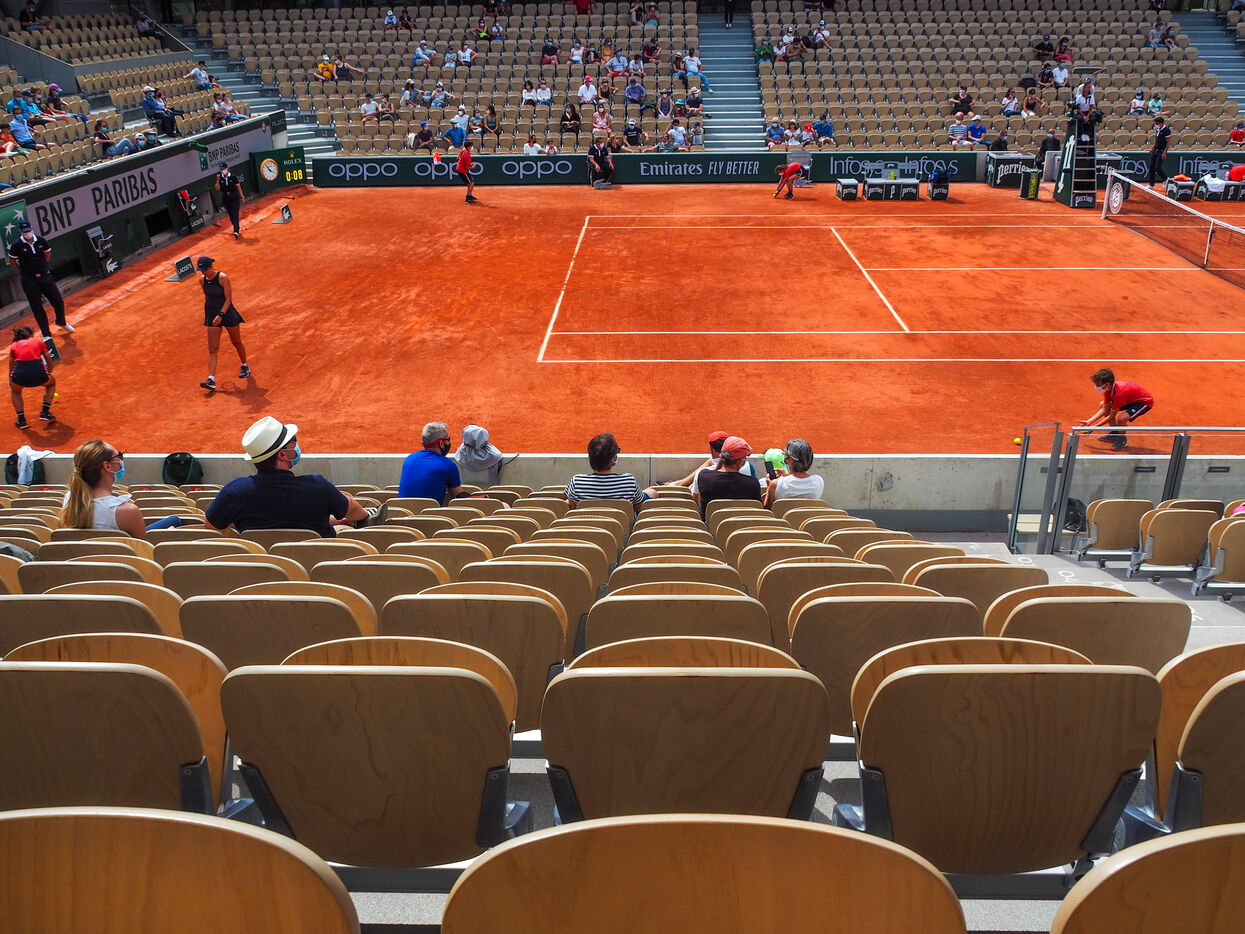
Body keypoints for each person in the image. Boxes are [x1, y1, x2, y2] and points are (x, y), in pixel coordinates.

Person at [206, 416, 370, 536]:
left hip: (264, 568)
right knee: (348, 531)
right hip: (316, 568)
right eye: (293, 441)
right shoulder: (317, 486)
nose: (296, 444)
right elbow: (354, 511)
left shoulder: (234, 492)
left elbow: (211, 526)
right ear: (282, 455)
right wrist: (363, 515)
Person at [62, 440, 189, 535]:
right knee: (175, 521)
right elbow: (143, 548)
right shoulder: (126, 511)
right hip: (116, 559)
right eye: (118, 456)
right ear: (107, 466)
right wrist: (166, 535)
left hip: (86, 557)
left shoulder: (70, 498)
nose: (121, 460)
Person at [7, 220, 72, 340]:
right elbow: (12, 260)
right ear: (21, 232)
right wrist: (23, 270)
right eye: (25, 231)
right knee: (37, 307)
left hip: (45, 277)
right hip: (29, 280)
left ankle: (61, 321)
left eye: (28, 230)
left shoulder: (41, 241)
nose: (27, 233)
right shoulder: (16, 245)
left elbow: (47, 254)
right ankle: (46, 334)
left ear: (31, 228)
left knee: (58, 302)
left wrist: (41, 266)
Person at [197, 256, 249, 393]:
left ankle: (244, 366)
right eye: (201, 270)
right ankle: (211, 380)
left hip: (227, 313)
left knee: (236, 342)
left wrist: (221, 314)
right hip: (212, 315)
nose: (203, 272)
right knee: (212, 348)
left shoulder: (223, 278)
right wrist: (211, 315)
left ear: (211, 266)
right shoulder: (202, 280)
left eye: (205, 269)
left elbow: (228, 300)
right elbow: (208, 298)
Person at [563, 432, 655, 507]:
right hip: (622, 525)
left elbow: (572, 508)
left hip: (587, 524)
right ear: (613, 459)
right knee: (652, 492)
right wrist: (652, 493)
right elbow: (639, 507)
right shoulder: (629, 482)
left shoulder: (576, 482)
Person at [1078, 368, 1153, 451]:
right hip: (1130, 399)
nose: (1096, 387)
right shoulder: (1108, 389)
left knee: (1121, 419)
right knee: (1103, 404)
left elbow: (1111, 415)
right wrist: (1089, 421)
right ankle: (1115, 433)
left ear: (1107, 384)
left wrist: (1095, 427)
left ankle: (1122, 439)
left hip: (1144, 402)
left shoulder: (1119, 393)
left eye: (1098, 385)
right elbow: (1105, 408)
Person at [692, 436, 762, 517]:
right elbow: (758, 509)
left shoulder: (703, 476)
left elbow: (695, 503)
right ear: (739, 462)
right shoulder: (753, 483)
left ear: (721, 457)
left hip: (710, 524)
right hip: (742, 524)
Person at [398, 422, 464, 502]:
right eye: (448, 440)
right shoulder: (448, 465)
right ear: (441, 443)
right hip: (430, 510)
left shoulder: (409, 459)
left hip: (404, 509)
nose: (449, 443)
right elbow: (458, 499)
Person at [668, 431, 759, 489]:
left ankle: (678, 483)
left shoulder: (702, 474)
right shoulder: (749, 468)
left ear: (711, 449)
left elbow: (696, 501)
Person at [6, 325, 55, 429]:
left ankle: (21, 420)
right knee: (51, 383)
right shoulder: (38, 341)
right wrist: (47, 374)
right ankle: (45, 412)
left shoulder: (13, 346)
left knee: (16, 392)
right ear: (30, 334)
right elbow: (50, 362)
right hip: (38, 373)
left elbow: (11, 368)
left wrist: (11, 381)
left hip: (19, 375)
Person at [762, 439, 824, 507]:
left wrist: (769, 488)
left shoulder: (775, 484)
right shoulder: (818, 481)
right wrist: (785, 478)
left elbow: (767, 509)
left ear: (790, 460)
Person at [215, 162, 244, 239]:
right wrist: (218, 180)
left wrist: (242, 196)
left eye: (224, 169)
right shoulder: (220, 178)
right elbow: (217, 188)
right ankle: (236, 227)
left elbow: (238, 187)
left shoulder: (233, 177)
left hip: (234, 197)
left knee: (235, 213)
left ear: (227, 168)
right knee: (231, 215)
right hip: (226, 198)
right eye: (221, 169)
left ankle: (236, 231)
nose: (223, 171)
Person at [1148, 116, 1172, 186]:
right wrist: (1153, 148)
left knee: (1157, 167)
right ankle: (1151, 184)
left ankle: (1165, 180)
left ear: (1162, 123)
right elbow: (1157, 141)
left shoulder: (1166, 130)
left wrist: (1165, 152)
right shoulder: (1158, 130)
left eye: (1157, 124)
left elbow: (1168, 142)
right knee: (1151, 167)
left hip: (1161, 151)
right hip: (1155, 150)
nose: (1156, 125)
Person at [457, 138, 477, 203]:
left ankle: (469, 195)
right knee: (471, 182)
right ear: (468, 147)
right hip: (462, 171)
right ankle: (468, 198)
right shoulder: (468, 156)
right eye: (471, 146)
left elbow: (458, 158)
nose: (472, 147)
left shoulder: (463, 150)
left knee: (469, 182)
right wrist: (473, 167)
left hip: (460, 169)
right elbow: (467, 167)